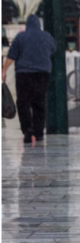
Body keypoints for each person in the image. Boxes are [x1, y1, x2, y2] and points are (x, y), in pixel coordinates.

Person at [1, 15, 56, 145]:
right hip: (42, 74)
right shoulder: (47, 36)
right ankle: (39, 132)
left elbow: (11, 55)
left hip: (23, 74)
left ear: (28, 25)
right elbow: (54, 49)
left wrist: (4, 70)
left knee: (23, 103)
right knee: (39, 103)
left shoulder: (21, 37)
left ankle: (27, 130)